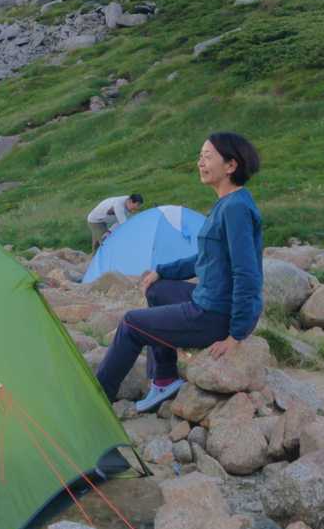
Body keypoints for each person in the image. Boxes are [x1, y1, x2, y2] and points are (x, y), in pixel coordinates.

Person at [95, 134, 263, 411]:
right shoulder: (228, 203)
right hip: (210, 300)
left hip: (215, 314)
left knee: (131, 324)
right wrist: (161, 271)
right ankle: (164, 379)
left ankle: (97, 400)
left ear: (231, 165)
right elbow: (207, 259)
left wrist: (236, 335)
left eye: (207, 157)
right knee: (156, 290)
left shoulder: (236, 209)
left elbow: (247, 273)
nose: (200, 163)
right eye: (200, 156)